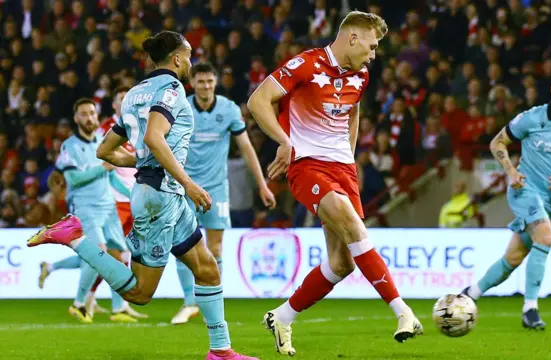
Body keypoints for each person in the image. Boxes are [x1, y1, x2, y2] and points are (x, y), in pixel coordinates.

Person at [27, 31, 257, 360]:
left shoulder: (134, 93)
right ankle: (73, 237)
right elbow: (154, 136)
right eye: (188, 55)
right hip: (160, 196)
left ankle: (220, 351)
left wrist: (144, 160)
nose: (191, 61)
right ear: (177, 58)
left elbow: (107, 150)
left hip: (166, 194)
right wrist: (189, 182)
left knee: (207, 268)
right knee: (139, 292)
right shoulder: (173, 89)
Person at [247, 11, 423, 356]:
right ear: (352, 38)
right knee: (355, 226)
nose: (373, 54)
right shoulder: (306, 64)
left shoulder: (362, 75)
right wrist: (284, 140)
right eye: (371, 47)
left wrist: (350, 157)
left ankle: (281, 316)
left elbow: (353, 111)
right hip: (307, 165)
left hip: (342, 168)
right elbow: (258, 100)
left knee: (342, 263)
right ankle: (403, 312)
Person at [460, 67, 551, 330]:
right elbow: (496, 143)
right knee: (546, 237)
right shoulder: (532, 118)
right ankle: (530, 310)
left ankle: (469, 294)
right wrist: (511, 171)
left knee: (512, 259)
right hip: (523, 189)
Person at [171, 61, 276, 325]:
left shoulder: (229, 110)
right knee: (182, 246)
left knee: (215, 247)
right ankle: (188, 303)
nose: (205, 86)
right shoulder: (181, 108)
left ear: (215, 83)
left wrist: (262, 184)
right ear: (192, 83)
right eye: (200, 81)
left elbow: (247, 148)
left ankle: (213, 303)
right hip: (186, 187)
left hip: (216, 189)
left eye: (210, 81)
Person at [43, 98, 134, 323]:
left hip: (108, 207)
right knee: (98, 253)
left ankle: (118, 308)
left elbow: (113, 177)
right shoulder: (69, 147)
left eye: (92, 113)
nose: (89, 118)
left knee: (117, 257)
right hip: (85, 207)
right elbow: (72, 178)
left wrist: (136, 197)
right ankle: (79, 304)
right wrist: (101, 167)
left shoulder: (102, 143)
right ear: (76, 118)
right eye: (83, 114)